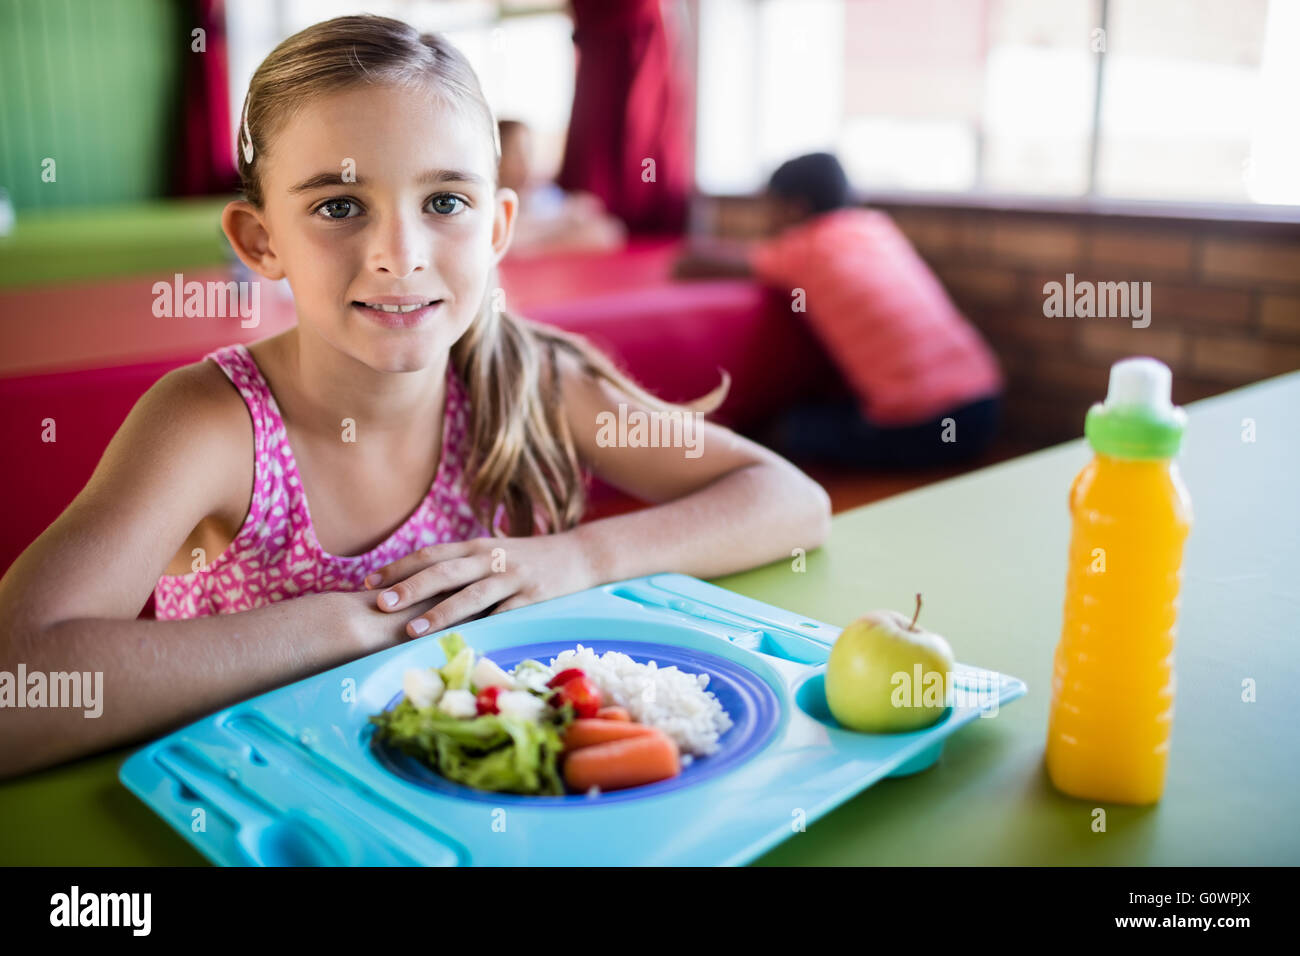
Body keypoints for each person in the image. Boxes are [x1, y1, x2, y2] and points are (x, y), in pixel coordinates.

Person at [0, 15, 830, 779]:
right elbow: (17, 686)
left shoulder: (530, 380)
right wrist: (352, 625)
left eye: (444, 203)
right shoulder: (212, 423)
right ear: (261, 243)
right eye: (338, 206)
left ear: (498, 227)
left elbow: (790, 500)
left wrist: (578, 559)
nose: (400, 254)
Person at [673, 152, 1004, 468]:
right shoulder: (876, 229)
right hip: (984, 404)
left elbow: (697, 265)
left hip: (927, 424)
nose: (767, 220)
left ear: (795, 209)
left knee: (786, 430)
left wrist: (678, 259)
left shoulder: (806, 247)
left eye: (771, 208)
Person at [497, 118, 626, 256]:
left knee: (606, 230)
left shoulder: (538, 193)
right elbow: (512, 238)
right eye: (516, 153)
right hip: (531, 249)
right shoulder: (495, 199)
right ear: (497, 159)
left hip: (547, 240)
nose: (524, 162)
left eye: (528, 153)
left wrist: (576, 209)